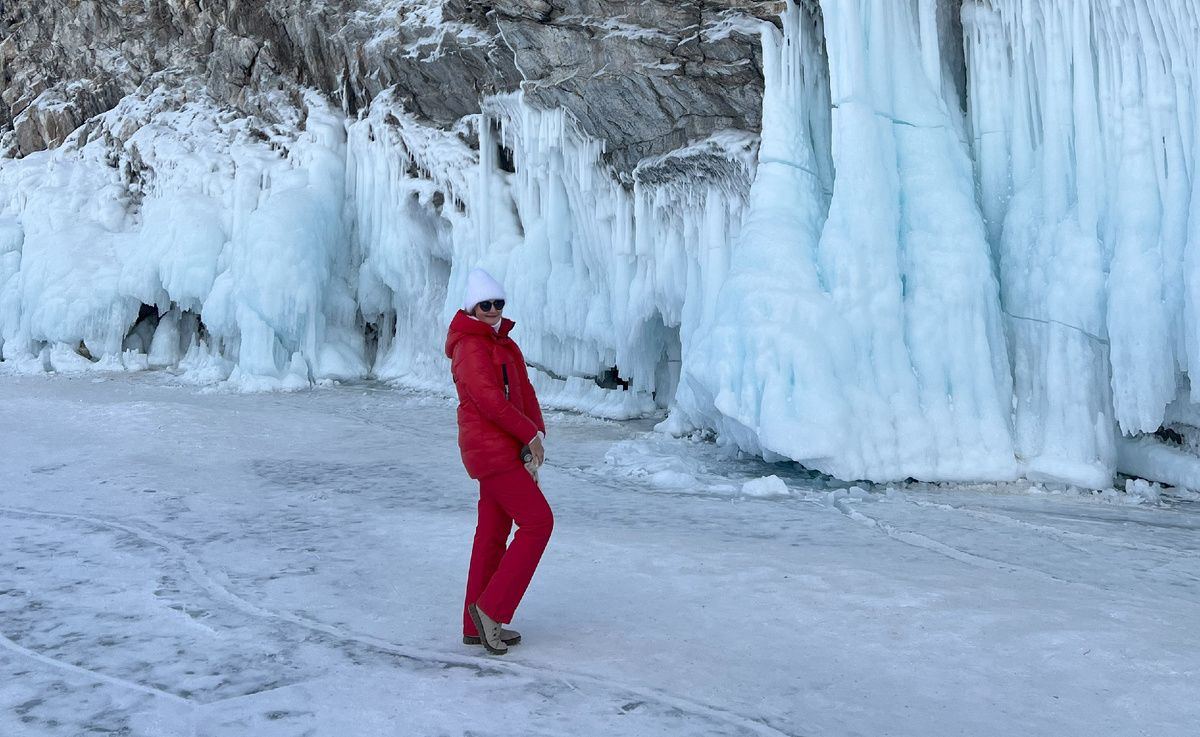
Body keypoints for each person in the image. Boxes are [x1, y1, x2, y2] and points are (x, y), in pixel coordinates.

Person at [445, 268, 551, 655]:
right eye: (485, 304)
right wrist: (526, 435)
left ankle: (473, 626)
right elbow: (491, 401)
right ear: (472, 307)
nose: (492, 310)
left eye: (498, 303)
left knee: (491, 534)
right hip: (491, 450)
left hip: (504, 448)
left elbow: (523, 391)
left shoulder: (502, 343)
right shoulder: (470, 347)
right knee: (539, 522)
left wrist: (536, 433)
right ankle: (491, 611)